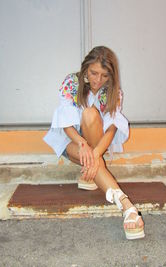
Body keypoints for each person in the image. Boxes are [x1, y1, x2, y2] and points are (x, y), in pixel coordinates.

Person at [44, 46, 145, 240]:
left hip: (94, 145)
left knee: (91, 114)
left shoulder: (113, 92)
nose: (98, 80)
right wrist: (82, 144)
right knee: (88, 113)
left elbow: (111, 129)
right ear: (85, 68)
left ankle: (123, 204)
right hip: (71, 141)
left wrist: (95, 154)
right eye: (93, 73)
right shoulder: (71, 83)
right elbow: (65, 125)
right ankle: (127, 206)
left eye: (105, 76)